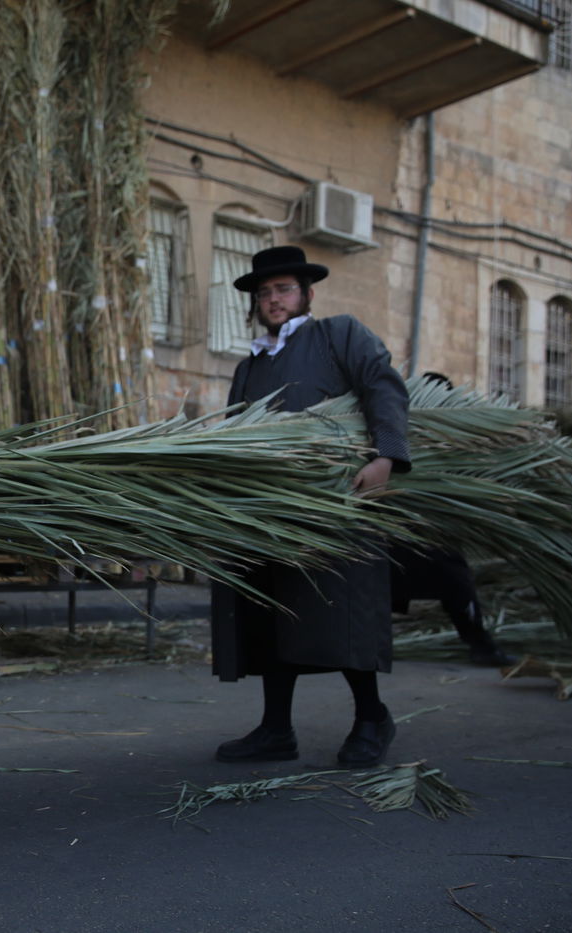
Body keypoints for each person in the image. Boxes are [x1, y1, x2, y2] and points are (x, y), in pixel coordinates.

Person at [210, 245, 410, 766]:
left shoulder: (338, 334)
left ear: (306, 294)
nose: (273, 300)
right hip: (269, 513)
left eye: (283, 289)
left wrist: (387, 455)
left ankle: (372, 718)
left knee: (341, 614)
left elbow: (382, 386)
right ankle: (276, 729)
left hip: (337, 503)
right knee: (273, 614)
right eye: (264, 292)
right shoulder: (249, 364)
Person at [389, 372, 514, 667]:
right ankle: (374, 648)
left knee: (455, 582)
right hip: (399, 524)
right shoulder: (396, 426)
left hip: (432, 527)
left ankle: (480, 645)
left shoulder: (449, 435)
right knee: (388, 584)